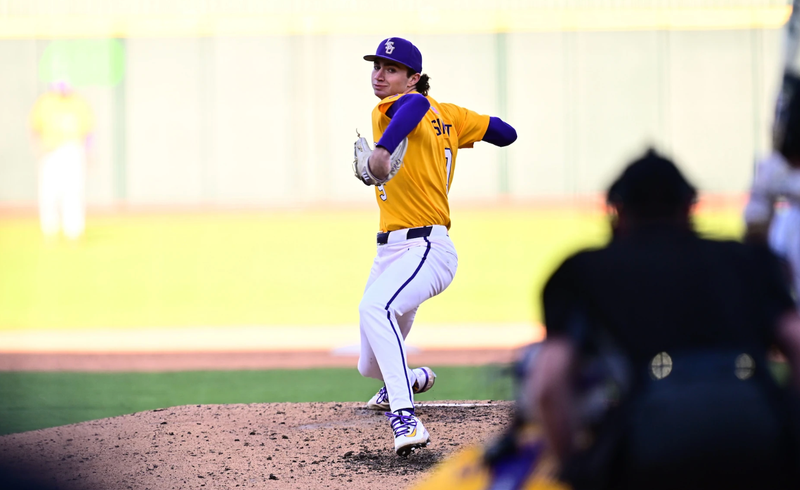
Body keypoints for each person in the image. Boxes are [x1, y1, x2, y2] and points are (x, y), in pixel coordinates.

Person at [527, 149, 800, 490]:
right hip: (759, 429)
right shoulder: (750, 259)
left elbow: (548, 384)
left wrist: (574, 469)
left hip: (653, 438)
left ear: (618, 211)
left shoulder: (584, 268)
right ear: (689, 207)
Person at [352, 37, 517, 457]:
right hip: (390, 253)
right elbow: (505, 134)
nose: (379, 74)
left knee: (375, 308)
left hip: (427, 248)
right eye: (377, 66)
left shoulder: (403, 108)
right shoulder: (449, 115)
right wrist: (458, 126)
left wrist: (385, 148)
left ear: (414, 78)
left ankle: (405, 419)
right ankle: (408, 381)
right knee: (368, 365)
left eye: (391, 69)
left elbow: (417, 107)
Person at [29, 79, 94, 241]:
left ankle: (74, 231)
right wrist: (37, 147)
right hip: (50, 151)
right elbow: (34, 127)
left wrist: (88, 152)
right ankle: (50, 230)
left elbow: (88, 131)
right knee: (48, 192)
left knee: (73, 191)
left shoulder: (78, 103)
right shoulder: (45, 102)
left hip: (73, 150)